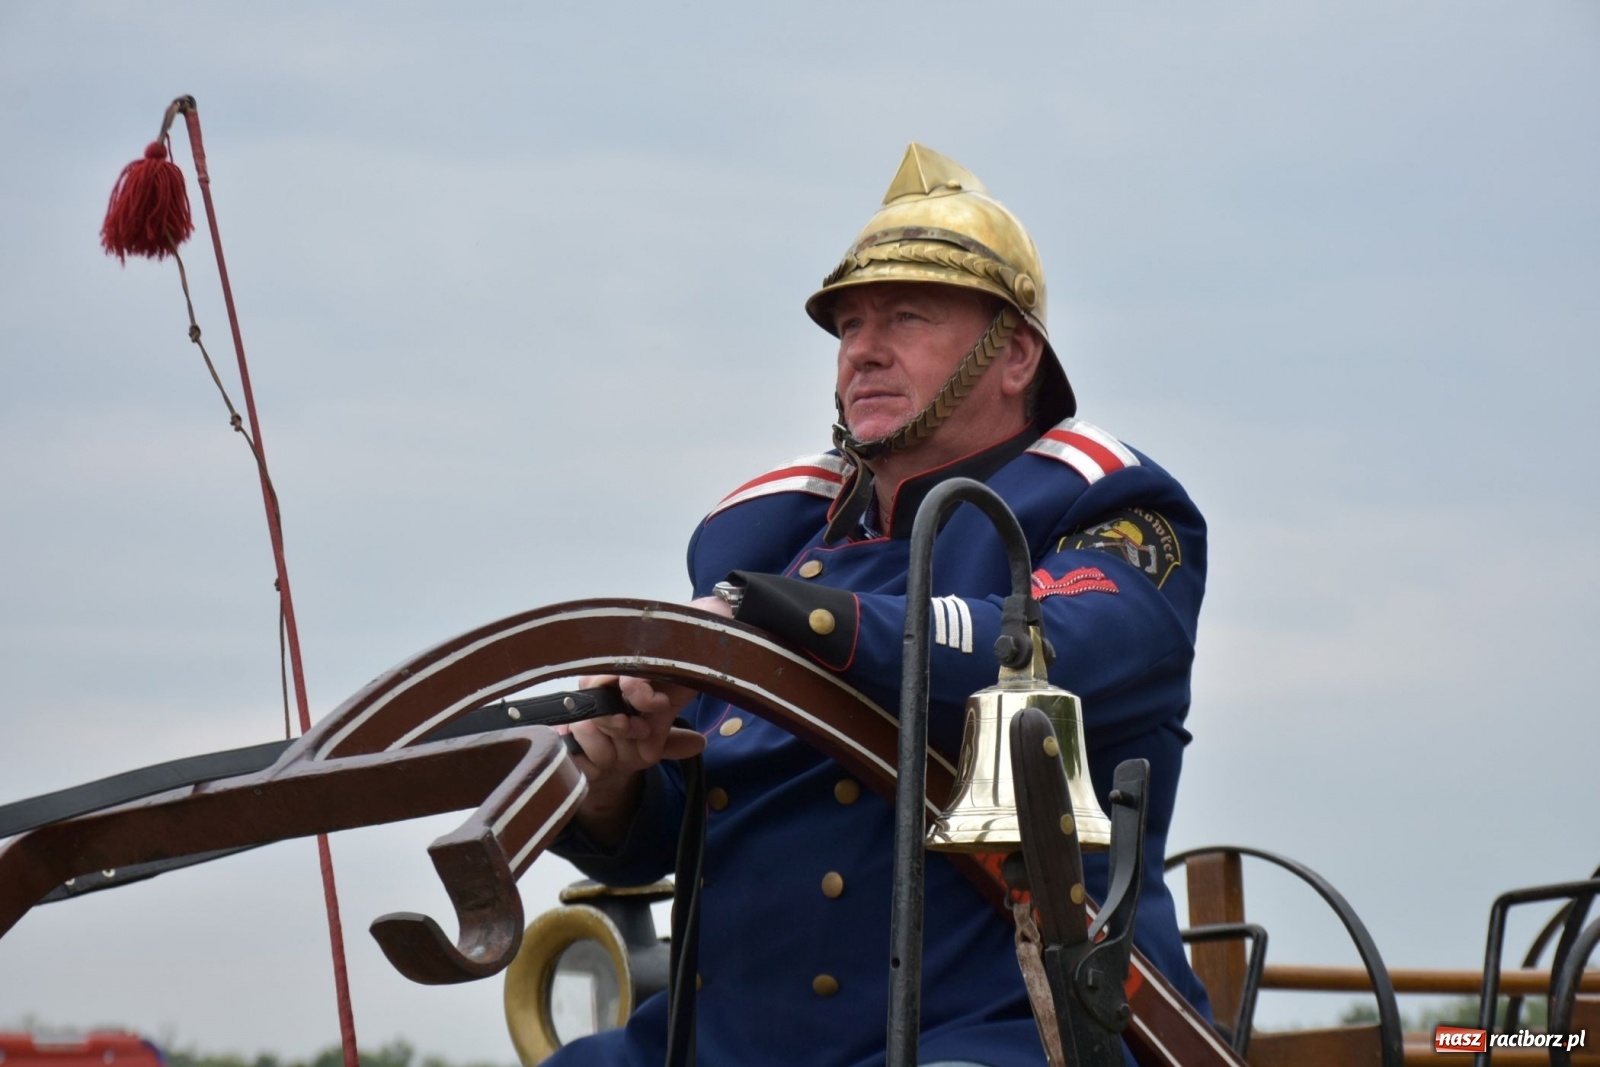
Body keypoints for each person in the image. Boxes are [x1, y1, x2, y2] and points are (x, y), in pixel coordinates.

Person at [548, 143, 1211, 1067]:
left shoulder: (1106, 510)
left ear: (1014, 351)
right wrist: (620, 775)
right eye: (850, 324)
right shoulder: (777, 550)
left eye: (906, 316)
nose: (863, 349)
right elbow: (682, 828)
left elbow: (1049, 649)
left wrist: (809, 626)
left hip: (994, 1034)